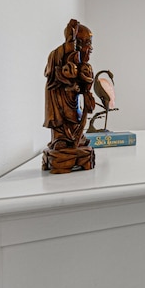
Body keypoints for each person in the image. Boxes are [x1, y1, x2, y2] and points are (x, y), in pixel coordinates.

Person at [42, 19, 95, 173]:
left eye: (89, 43)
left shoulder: (83, 65)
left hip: (75, 104)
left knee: (77, 118)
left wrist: (85, 87)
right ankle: (61, 140)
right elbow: (50, 72)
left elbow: (86, 83)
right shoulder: (58, 56)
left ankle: (76, 139)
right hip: (60, 99)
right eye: (84, 43)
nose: (89, 48)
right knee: (62, 121)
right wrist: (69, 44)